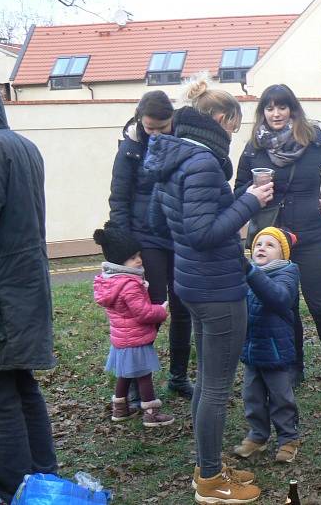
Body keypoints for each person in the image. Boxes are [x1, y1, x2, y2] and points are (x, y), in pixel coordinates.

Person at [145, 75, 269, 504]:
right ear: (219, 119)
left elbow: (163, 223)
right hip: (216, 287)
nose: (233, 136)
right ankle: (212, 482)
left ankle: (208, 464)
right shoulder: (201, 163)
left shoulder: (171, 157)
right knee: (216, 387)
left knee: (205, 383)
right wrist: (250, 200)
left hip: (193, 283)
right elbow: (203, 232)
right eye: (234, 126)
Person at [235, 84, 321, 396]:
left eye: (282, 107)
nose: (276, 113)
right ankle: (294, 367)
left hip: (312, 234)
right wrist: (252, 195)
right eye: (270, 108)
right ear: (262, 111)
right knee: (283, 306)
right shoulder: (254, 148)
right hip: (273, 237)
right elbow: (238, 189)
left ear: (293, 109)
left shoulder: (312, 139)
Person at [0, 71, 57, 505]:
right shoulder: (22, 145)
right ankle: (43, 483)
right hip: (21, 287)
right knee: (21, 387)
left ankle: (15, 492)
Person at [109, 90, 194, 400]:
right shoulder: (130, 149)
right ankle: (132, 381)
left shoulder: (185, 141)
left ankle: (178, 377)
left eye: (163, 127)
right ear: (140, 121)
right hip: (146, 238)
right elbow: (119, 198)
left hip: (179, 235)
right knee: (150, 307)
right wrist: (125, 245)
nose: (157, 133)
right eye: (150, 128)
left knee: (182, 306)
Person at [93, 224, 175, 427]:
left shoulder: (111, 281)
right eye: (132, 258)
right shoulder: (129, 284)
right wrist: (161, 311)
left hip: (121, 338)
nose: (138, 260)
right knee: (143, 374)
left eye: (138, 255)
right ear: (119, 261)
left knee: (124, 373)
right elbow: (143, 312)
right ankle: (151, 413)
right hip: (135, 338)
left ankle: (120, 409)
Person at [234, 227, 301, 464]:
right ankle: (258, 435)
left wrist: (251, 272)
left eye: (270, 245)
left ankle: (288, 439)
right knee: (252, 396)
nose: (261, 247)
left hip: (275, 350)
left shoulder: (286, 273)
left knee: (281, 398)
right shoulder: (247, 273)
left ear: (283, 254)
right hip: (252, 349)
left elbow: (279, 298)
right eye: (258, 243)